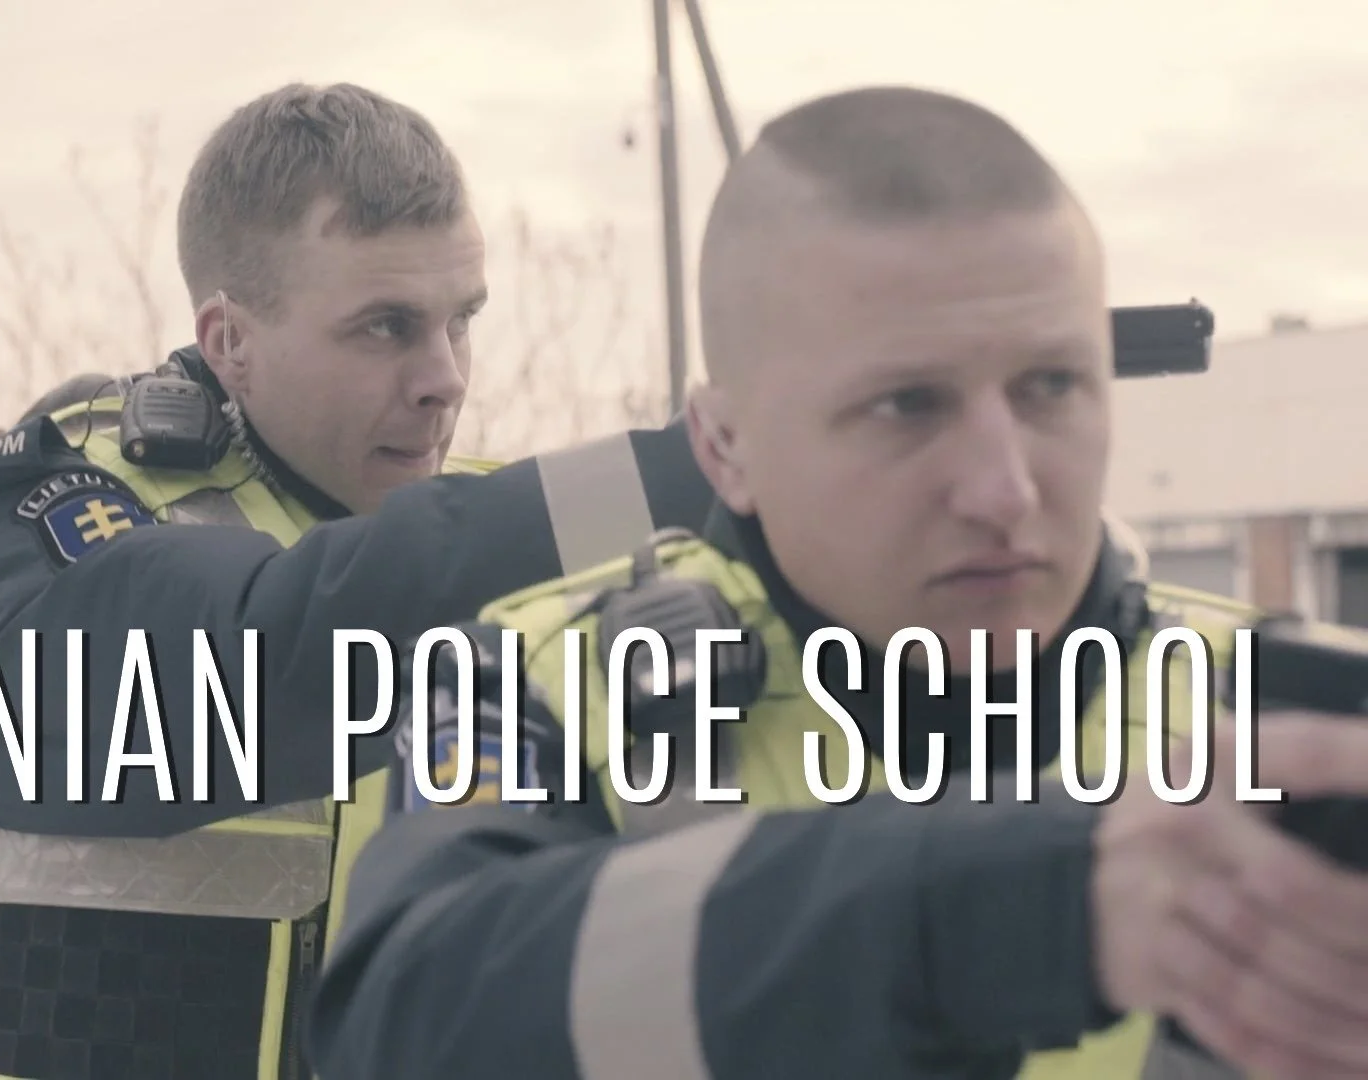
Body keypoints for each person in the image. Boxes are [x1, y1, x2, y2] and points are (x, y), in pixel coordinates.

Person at [305, 86, 1368, 1080]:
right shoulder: (528, 686)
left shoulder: (1277, 717)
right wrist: (1021, 908)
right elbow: (405, 1020)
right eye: (908, 404)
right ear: (724, 445)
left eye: (1052, 385)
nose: (1004, 488)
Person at [0, 81, 718, 1080]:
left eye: (462, 321)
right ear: (229, 340)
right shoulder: (44, 502)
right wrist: (689, 473)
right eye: (385, 326)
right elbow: (219, 672)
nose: (445, 377)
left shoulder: (506, 521)